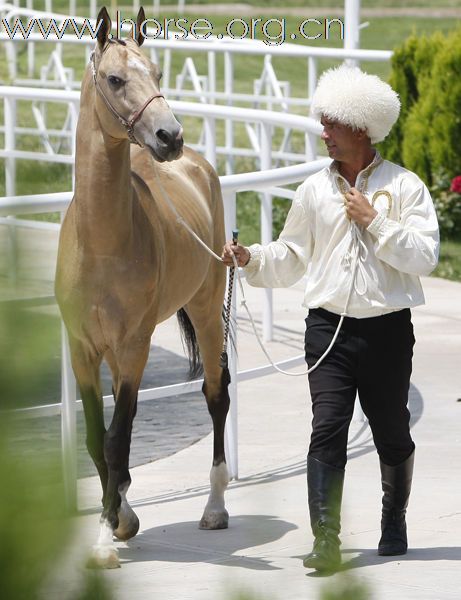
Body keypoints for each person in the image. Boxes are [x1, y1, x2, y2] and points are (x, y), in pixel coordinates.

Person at [222, 64, 439, 572]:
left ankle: (394, 518)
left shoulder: (404, 187)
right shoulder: (313, 191)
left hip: (387, 330)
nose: (323, 134)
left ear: (360, 127)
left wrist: (375, 221)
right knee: (327, 429)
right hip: (327, 329)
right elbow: (293, 254)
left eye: (331, 125)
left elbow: (425, 256)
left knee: (391, 430)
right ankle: (326, 541)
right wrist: (251, 258)